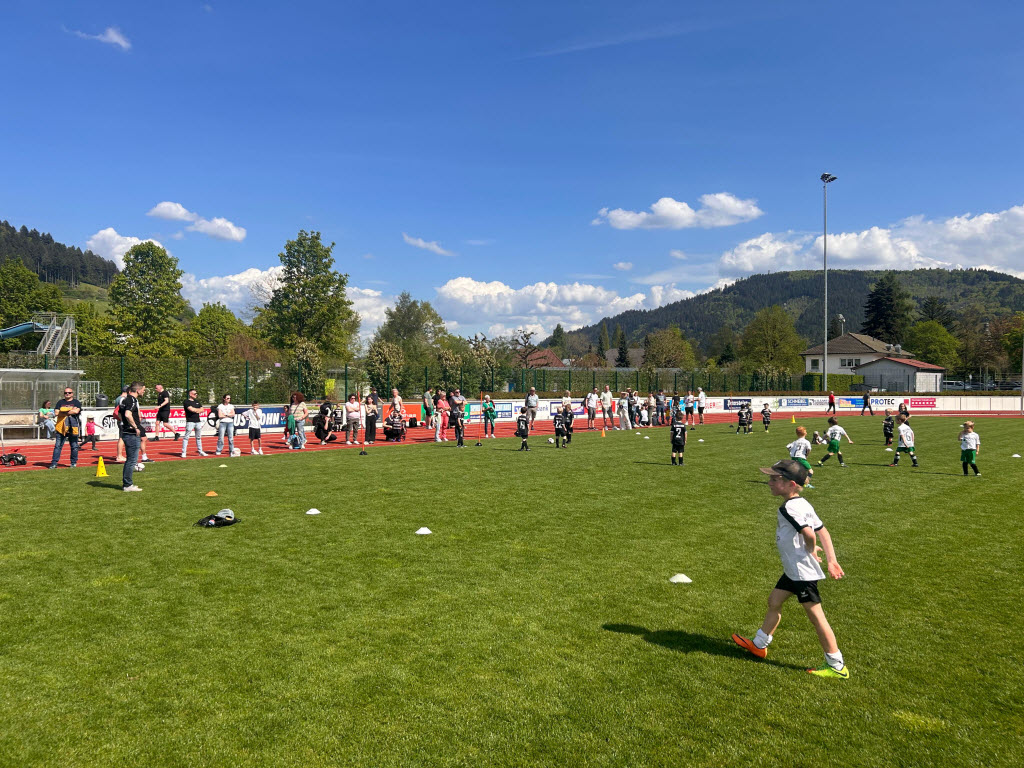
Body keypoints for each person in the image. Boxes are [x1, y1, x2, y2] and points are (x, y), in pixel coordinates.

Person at [732, 459, 849, 679]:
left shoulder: (789, 508)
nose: (769, 482)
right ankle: (759, 644)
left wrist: (810, 550)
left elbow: (810, 534)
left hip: (802, 573)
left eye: (775, 479)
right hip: (793, 570)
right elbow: (823, 531)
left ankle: (836, 665)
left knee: (817, 617)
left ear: (791, 484)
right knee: (774, 601)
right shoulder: (802, 503)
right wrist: (831, 560)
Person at [120, 381, 146, 492]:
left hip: (126, 432)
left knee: (130, 460)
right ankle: (128, 485)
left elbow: (119, 414)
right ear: (138, 390)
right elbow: (127, 414)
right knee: (131, 460)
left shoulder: (124, 400)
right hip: (131, 434)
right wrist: (135, 427)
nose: (144, 392)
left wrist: (124, 424)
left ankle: (127, 484)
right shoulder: (132, 400)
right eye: (143, 390)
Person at [48, 386, 83, 469]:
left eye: (69, 393)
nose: (67, 394)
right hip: (61, 427)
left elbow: (76, 411)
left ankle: (73, 463)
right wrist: (70, 410)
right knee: (58, 446)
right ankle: (54, 463)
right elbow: (56, 412)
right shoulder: (60, 402)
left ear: (72, 394)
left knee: (74, 446)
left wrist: (63, 411)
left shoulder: (76, 402)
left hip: (72, 427)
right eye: (65, 393)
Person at [181, 389, 207, 457]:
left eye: (196, 393)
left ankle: (200, 451)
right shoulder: (186, 402)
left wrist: (197, 410)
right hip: (190, 421)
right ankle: (184, 452)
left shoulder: (197, 401)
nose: (196, 395)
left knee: (198, 437)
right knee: (186, 437)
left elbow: (202, 409)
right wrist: (197, 410)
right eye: (194, 394)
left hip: (198, 421)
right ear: (190, 394)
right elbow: (192, 409)